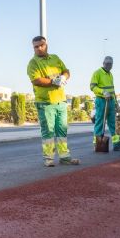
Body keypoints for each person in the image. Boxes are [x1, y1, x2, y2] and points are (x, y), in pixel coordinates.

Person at [27, 36, 80, 167]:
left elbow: (66, 71)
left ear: (46, 45)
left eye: (42, 45)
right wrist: (53, 81)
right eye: (36, 46)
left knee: (62, 130)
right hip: (45, 103)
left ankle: (65, 157)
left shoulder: (55, 58)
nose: (39, 48)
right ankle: (48, 158)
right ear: (33, 48)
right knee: (48, 131)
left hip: (61, 101)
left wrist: (63, 77)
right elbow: (36, 80)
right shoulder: (33, 63)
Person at [90, 56, 120, 152]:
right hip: (101, 100)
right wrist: (102, 92)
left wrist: (116, 104)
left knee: (113, 124)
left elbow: (112, 91)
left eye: (110, 64)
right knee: (99, 123)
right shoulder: (97, 73)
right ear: (103, 63)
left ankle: (117, 144)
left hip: (110, 101)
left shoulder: (110, 74)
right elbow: (92, 87)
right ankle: (97, 144)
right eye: (107, 64)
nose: (108, 66)